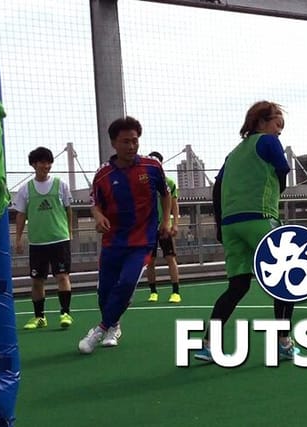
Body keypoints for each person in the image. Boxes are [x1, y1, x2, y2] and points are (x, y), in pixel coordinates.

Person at [194, 100, 299, 362]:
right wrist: (273, 197)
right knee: (286, 282)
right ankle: (284, 342)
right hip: (260, 219)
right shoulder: (268, 141)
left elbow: (216, 189)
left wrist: (220, 224)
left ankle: (208, 344)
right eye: (278, 124)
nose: (279, 131)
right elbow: (282, 173)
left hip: (231, 225)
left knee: (237, 286)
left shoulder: (234, 153)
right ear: (261, 121)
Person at [78, 116, 171, 354]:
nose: (131, 146)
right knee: (104, 291)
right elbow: (95, 204)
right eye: (125, 141)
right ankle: (113, 325)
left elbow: (165, 194)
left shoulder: (152, 166)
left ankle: (99, 330)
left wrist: (167, 219)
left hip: (142, 240)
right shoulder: (103, 175)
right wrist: (98, 217)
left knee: (128, 282)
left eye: (135, 141)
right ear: (113, 143)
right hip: (113, 241)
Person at [13, 146, 74, 330]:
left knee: (62, 276)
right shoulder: (25, 189)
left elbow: (68, 209)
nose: (46, 165)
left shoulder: (61, 185)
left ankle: (65, 313)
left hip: (59, 240)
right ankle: (40, 317)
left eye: (48, 162)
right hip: (37, 242)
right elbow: (21, 215)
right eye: (41, 162)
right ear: (34, 164)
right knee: (37, 280)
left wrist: (69, 232)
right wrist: (18, 239)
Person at [145, 151, 181, 303]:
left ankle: (175, 292)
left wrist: (176, 224)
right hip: (148, 227)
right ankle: (153, 291)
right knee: (150, 261)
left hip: (165, 226)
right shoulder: (144, 182)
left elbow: (174, 205)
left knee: (170, 258)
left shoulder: (169, 182)